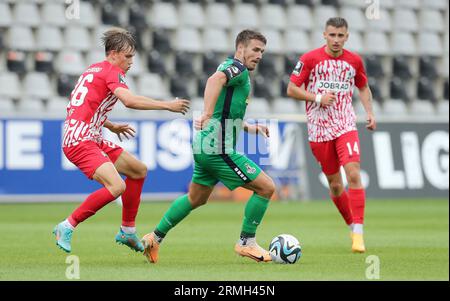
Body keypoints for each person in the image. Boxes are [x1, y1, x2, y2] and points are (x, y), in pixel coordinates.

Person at [141, 30, 276, 263]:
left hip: (204, 146)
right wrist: (206, 112)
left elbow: (227, 111)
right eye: (255, 49)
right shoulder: (238, 69)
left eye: (262, 51)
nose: (259, 55)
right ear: (241, 48)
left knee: (196, 198)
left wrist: (250, 128)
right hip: (217, 148)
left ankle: (154, 237)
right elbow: (214, 81)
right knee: (266, 187)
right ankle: (247, 242)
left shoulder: (229, 67)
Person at [53, 28, 190, 253]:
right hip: (81, 140)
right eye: (128, 56)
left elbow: (82, 106)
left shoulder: (92, 70)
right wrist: (167, 105)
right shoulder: (111, 72)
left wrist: (110, 125)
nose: (131, 61)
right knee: (117, 186)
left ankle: (127, 231)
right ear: (114, 53)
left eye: (133, 56)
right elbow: (129, 101)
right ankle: (67, 226)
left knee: (138, 170)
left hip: (88, 135)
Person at [287, 17, 377, 253]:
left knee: (354, 174)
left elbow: (363, 86)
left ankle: (358, 232)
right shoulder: (310, 59)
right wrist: (317, 98)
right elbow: (291, 88)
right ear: (324, 35)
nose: (336, 40)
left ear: (347, 36)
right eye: (332, 35)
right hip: (318, 129)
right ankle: (350, 224)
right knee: (336, 185)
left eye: (341, 36)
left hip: (345, 124)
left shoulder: (354, 61)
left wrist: (369, 112)